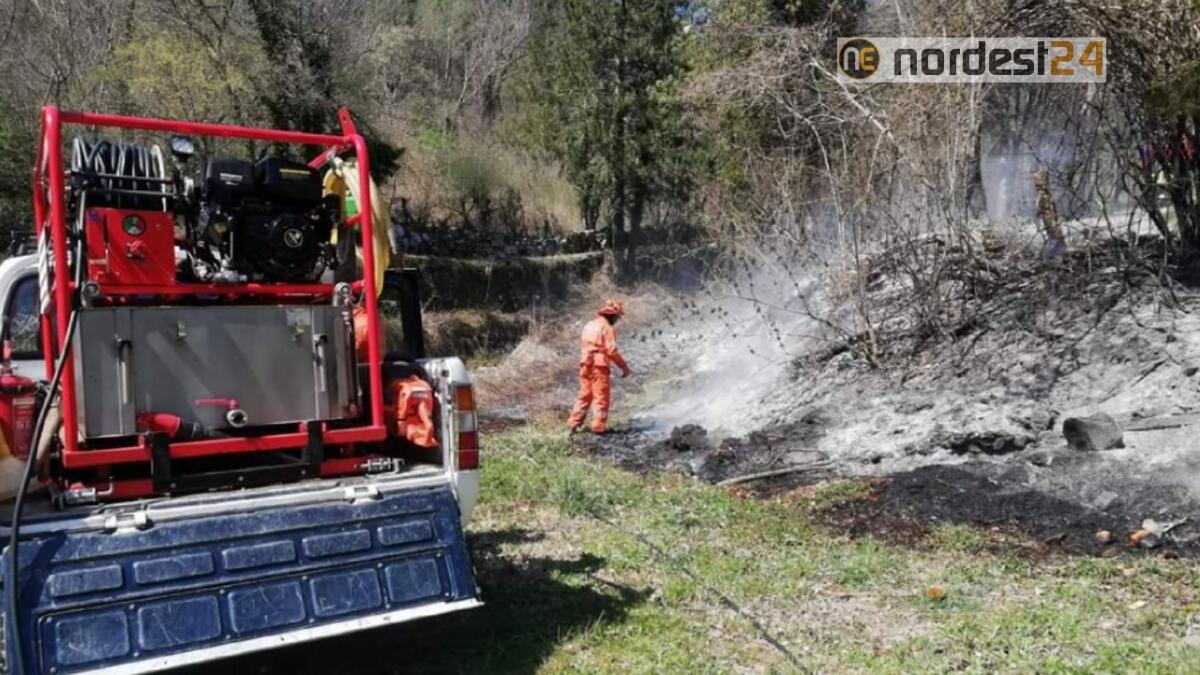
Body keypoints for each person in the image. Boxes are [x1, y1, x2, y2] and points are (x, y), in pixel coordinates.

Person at [568, 300, 632, 435]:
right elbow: (612, 351)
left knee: (584, 395)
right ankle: (598, 427)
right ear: (613, 315)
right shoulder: (607, 328)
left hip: (585, 363)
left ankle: (573, 424)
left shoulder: (589, 325)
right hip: (599, 366)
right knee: (601, 396)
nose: (618, 319)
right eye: (618, 316)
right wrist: (624, 367)